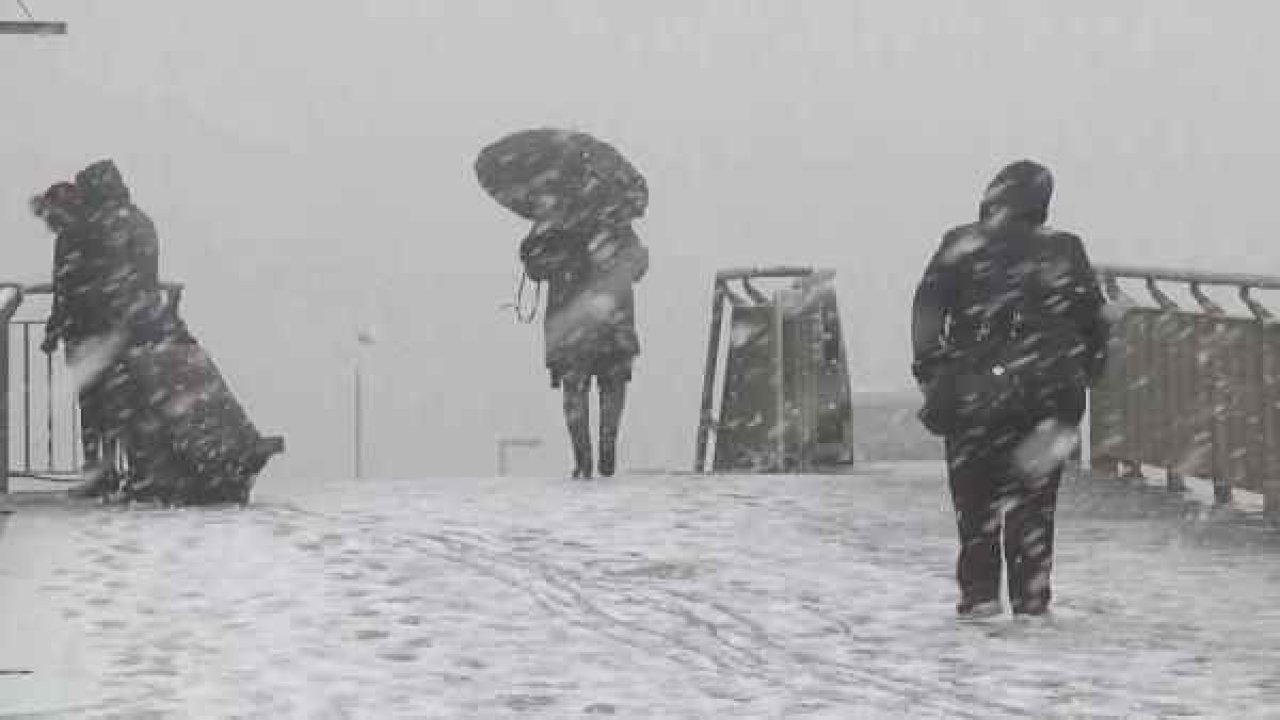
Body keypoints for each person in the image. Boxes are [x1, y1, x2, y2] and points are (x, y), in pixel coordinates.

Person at [911, 160, 1110, 618]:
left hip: (973, 397)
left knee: (976, 507)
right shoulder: (1064, 250)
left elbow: (926, 309)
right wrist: (1087, 370)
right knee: (1034, 508)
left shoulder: (962, 244)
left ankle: (979, 598)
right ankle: (1031, 600)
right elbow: (1094, 321)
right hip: (1047, 402)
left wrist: (932, 369)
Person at [520, 215, 649, 479]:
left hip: (570, 325)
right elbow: (638, 268)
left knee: (574, 391)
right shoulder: (614, 218)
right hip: (613, 319)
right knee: (612, 386)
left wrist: (535, 249)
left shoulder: (552, 220)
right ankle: (606, 448)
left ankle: (583, 459)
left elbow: (535, 270)